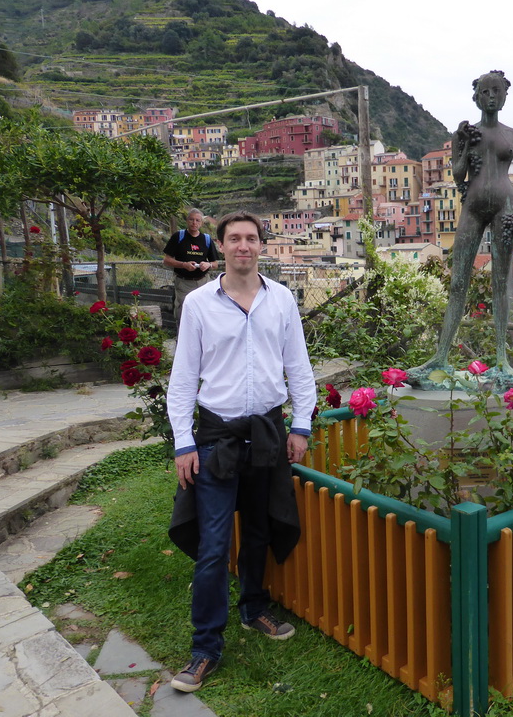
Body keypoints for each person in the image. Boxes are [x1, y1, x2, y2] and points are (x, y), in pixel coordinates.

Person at [165, 210, 316, 693]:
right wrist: (183, 442)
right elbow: (184, 378)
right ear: (221, 246)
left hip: (268, 433)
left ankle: (254, 609)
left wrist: (302, 426)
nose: (244, 246)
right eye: (234, 239)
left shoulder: (282, 300)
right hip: (215, 437)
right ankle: (204, 648)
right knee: (213, 547)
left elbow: (300, 367)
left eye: (251, 238)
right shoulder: (199, 304)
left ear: (261, 245)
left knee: (258, 529)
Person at [407, 70, 513, 389]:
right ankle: (440, 357)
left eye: (497, 91)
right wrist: (461, 144)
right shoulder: (465, 133)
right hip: (473, 205)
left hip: (507, 206)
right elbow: (459, 175)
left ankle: (502, 358)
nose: (491, 96)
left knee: (501, 280)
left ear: (504, 95)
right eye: (486, 91)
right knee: (458, 280)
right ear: (476, 97)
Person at [163, 208, 219, 327]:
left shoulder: (207, 239)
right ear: (187, 221)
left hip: (203, 282)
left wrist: (208, 264)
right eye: (191, 219)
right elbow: (166, 260)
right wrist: (184, 265)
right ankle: (182, 342)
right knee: (183, 315)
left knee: (205, 314)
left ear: (201, 223)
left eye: (197, 220)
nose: (194, 223)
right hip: (183, 283)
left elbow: (215, 263)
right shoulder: (178, 237)